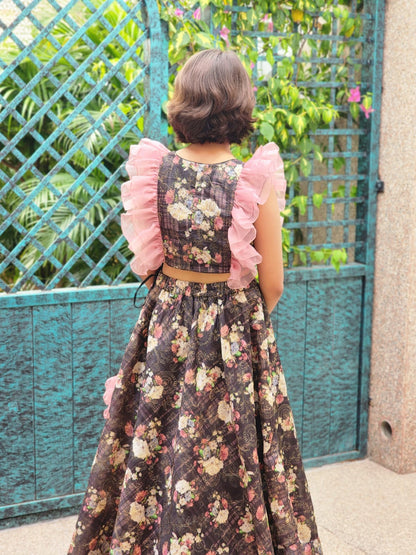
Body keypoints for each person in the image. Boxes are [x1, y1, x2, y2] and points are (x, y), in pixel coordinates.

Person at [69, 48, 322, 554]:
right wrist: (237, 322)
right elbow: (272, 283)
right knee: (239, 454)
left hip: (166, 331)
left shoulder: (155, 174)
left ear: (184, 103)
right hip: (233, 334)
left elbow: (150, 263)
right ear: (239, 106)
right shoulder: (253, 181)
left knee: (154, 449)